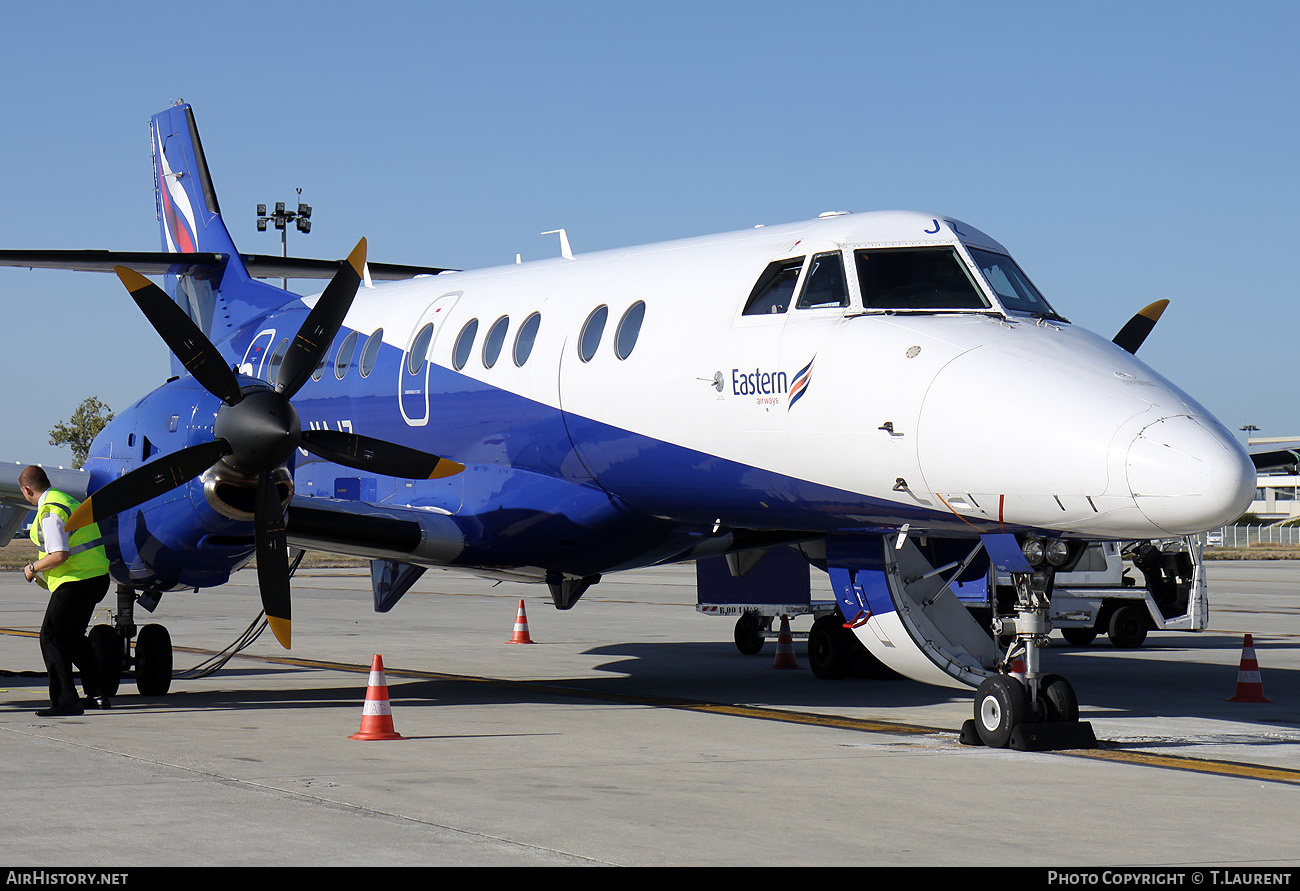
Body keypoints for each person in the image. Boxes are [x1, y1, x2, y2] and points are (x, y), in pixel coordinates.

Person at [19, 465, 111, 716]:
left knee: (51, 638)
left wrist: (32, 567)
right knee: (72, 638)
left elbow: (59, 554)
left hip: (75, 581)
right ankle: (97, 694)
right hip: (95, 577)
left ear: (27, 490)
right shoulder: (67, 499)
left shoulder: (50, 510)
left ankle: (65, 700)